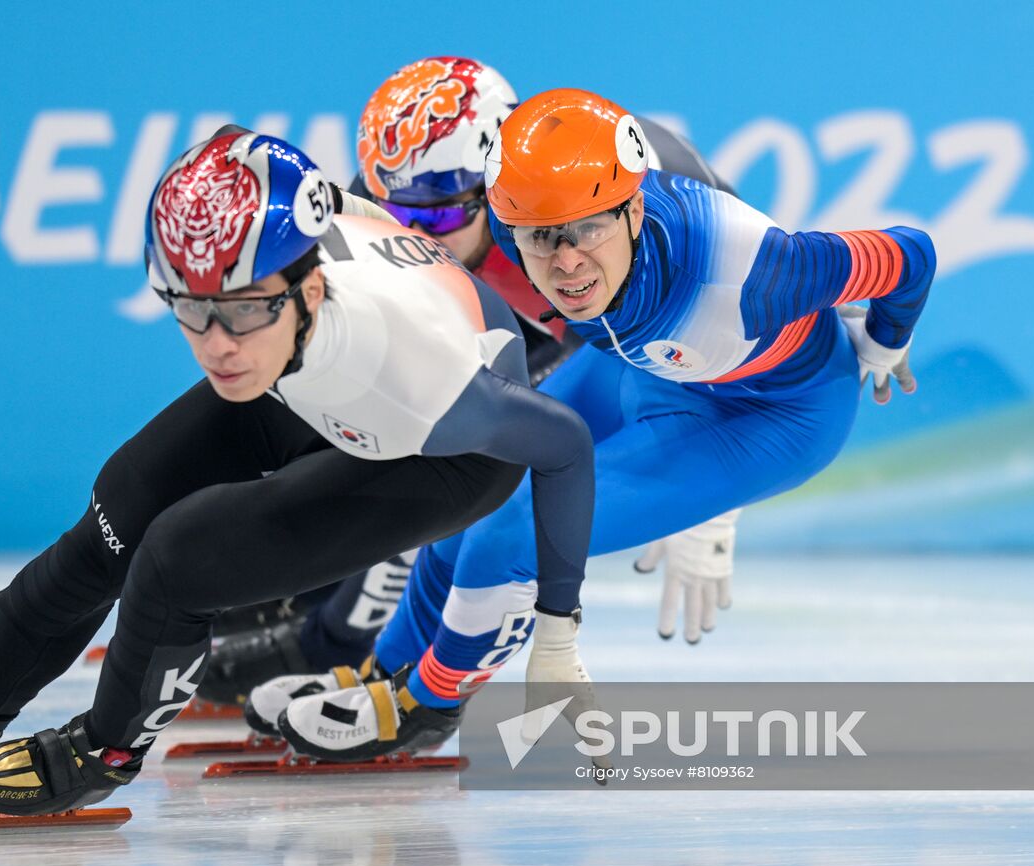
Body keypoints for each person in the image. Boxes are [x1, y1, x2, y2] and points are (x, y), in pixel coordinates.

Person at [0, 130, 594, 816]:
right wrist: (250, 316)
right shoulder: (258, 300)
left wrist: (558, 628)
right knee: (113, 520)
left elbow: (565, 446)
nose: (217, 343)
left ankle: (104, 751)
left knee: (178, 559)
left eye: (246, 307)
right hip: (300, 374)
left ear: (307, 287)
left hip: (439, 454)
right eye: (191, 308)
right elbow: (233, 144)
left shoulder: (424, 376)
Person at [265, 87, 935, 762]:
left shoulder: (757, 273)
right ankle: (383, 672)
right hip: (655, 368)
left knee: (509, 535)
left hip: (772, 413)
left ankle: (425, 707)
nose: (566, 262)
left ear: (635, 207)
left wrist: (885, 343)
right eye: (540, 237)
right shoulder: (508, 221)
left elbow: (911, 254)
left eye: (587, 229)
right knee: (471, 486)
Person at [202, 58, 745, 711]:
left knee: (478, 475)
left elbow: (744, 329)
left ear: (495, 187)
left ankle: (371, 661)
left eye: (432, 222)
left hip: (624, 343)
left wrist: (714, 503)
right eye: (392, 213)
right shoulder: (394, 200)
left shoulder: (628, 198)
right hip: (519, 318)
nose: (411, 238)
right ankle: (297, 602)